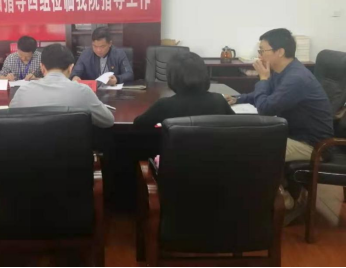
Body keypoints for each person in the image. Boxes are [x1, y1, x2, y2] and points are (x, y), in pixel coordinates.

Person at [227, 28, 334, 221]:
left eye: (262, 50)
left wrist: (263, 78)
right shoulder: (283, 70)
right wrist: (238, 99)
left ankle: (285, 201)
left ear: (280, 52)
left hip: (313, 144)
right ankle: (272, 194)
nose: (259, 55)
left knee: (250, 150)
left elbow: (266, 108)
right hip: (293, 134)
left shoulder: (296, 78)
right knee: (248, 141)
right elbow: (266, 95)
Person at [10, 44, 115, 128]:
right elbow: (108, 121)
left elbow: (10, 121)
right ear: (71, 68)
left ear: (42, 67)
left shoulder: (23, 91)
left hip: (32, 148)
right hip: (72, 148)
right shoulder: (83, 91)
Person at [134, 52, 234, 128]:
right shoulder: (219, 101)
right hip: (213, 150)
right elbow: (237, 125)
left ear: (172, 77)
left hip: (175, 150)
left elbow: (138, 125)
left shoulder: (164, 105)